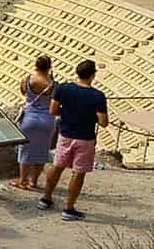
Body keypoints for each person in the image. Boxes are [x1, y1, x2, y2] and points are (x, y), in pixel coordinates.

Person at [42, 59, 109, 221]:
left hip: (65, 135)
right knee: (78, 173)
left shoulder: (63, 88)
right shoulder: (97, 96)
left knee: (57, 166)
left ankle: (46, 199)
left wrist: (68, 113)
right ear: (93, 75)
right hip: (85, 138)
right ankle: (69, 208)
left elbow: (53, 109)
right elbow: (103, 122)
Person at [13, 58, 58, 190]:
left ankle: (22, 180)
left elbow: (23, 92)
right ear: (49, 67)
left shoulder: (27, 80)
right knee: (42, 151)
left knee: (25, 150)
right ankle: (34, 181)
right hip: (47, 120)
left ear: (36, 66)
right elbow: (56, 100)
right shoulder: (54, 84)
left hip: (29, 119)